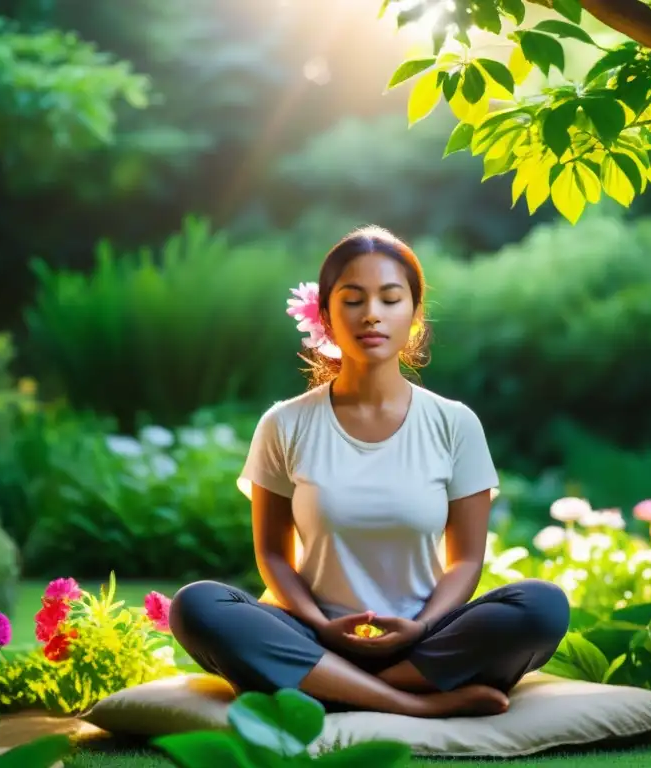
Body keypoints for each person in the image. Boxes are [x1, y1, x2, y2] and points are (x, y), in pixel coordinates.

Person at [169, 226, 569, 718]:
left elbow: (464, 562)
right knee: (198, 606)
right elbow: (273, 553)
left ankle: (332, 688)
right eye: (353, 299)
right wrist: (317, 623)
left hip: (422, 640)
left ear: (414, 316)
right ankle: (410, 703)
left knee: (542, 607)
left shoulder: (455, 424)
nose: (372, 314)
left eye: (390, 298)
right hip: (315, 636)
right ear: (326, 316)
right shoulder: (285, 423)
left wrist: (422, 628)